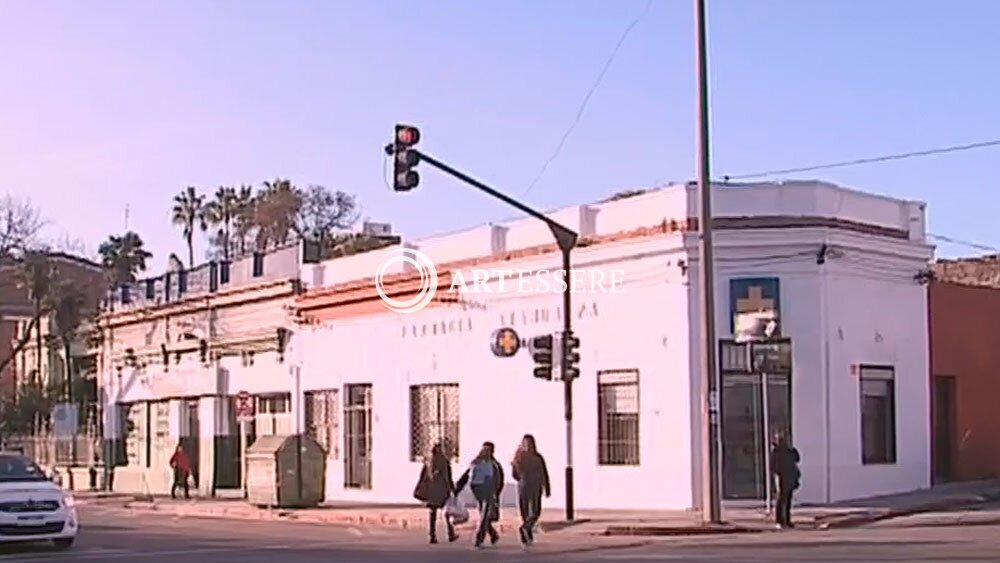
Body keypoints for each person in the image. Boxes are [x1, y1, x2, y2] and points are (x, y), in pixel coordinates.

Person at [455, 441, 504, 548]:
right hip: (481, 490)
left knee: (484, 515)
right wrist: (457, 489)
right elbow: (466, 476)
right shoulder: (481, 463)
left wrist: (496, 493)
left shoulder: (492, 464)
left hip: (484, 490)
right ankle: (482, 538)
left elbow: (499, 480)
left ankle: (489, 535)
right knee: (484, 515)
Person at [413, 443, 458, 544]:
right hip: (442, 491)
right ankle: (450, 534)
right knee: (446, 513)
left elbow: (423, 477)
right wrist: (452, 489)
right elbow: (448, 477)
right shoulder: (444, 461)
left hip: (432, 491)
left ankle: (432, 536)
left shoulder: (428, 461)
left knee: (432, 513)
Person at [511, 434, 550, 545]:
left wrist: (546, 487)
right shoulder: (528, 457)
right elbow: (544, 473)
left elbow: (543, 473)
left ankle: (526, 531)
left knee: (530, 512)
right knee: (530, 512)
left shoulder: (528, 457)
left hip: (529, 486)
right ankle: (526, 531)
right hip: (529, 486)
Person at [770, 431, 801, 528]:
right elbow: (773, 465)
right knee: (780, 500)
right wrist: (777, 475)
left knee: (788, 500)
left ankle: (787, 520)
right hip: (781, 477)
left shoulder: (789, 450)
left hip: (789, 477)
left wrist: (792, 449)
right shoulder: (775, 451)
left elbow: (797, 459)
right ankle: (779, 521)